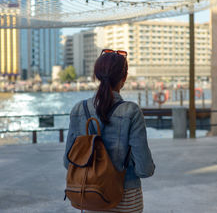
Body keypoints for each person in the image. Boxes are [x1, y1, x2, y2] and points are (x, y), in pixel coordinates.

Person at [64, 49, 155, 213]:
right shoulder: (131, 111)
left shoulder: (79, 109)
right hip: (126, 197)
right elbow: (145, 169)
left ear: (97, 76)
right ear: (124, 78)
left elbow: (67, 162)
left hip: (90, 197)